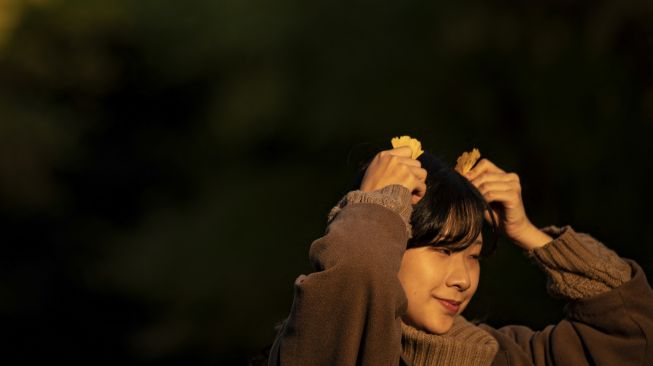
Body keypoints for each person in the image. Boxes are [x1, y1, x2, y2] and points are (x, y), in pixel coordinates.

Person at [267, 145, 653, 365]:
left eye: (473, 255)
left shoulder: (503, 356)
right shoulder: (328, 345)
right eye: (442, 250)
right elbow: (352, 279)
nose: (463, 279)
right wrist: (374, 207)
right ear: (390, 241)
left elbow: (633, 335)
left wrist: (530, 234)